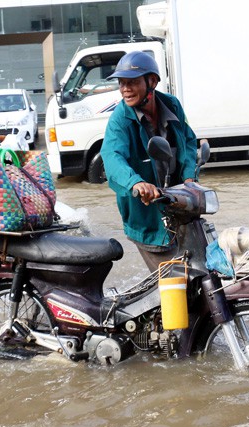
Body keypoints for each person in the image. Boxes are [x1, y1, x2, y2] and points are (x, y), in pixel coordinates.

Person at [100, 51, 198, 272]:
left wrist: (189, 176)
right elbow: (112, 157)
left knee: (199, 272)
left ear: (152, 81)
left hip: (180, 204)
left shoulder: (172, 105)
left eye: (132, 82)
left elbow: (189, 141)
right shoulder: (120, 119)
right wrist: (136, 183)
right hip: (147, 216)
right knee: (172, 286)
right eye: (121, 83)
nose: (125, 89)